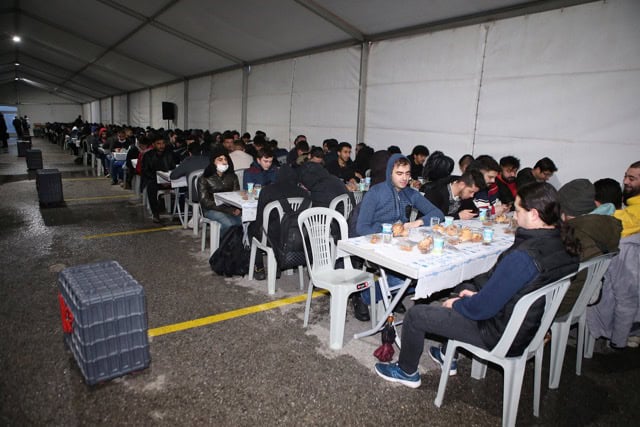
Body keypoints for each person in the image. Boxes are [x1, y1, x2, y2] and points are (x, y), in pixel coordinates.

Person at [374, 182, 580, 387]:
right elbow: (508, 290)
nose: (515, 217)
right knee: (467, 287)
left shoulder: (523, 257)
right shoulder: (565, 246)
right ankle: (447, 354)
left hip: (500, 333)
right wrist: (472, 296)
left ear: (534, 214)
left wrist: (458, 304)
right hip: (531, 326)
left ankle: (406, 371)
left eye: (518, 211)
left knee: (416, 315)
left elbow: (483, 308)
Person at [353, 153, 444, 320]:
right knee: (405, 277)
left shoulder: (410, 193)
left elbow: (438, 214)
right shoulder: (375, 192)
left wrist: (416, 223)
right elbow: (362, 227)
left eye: (407, 174)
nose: (404, 178)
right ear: (390, 173)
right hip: (377, 244)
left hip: (401, 244)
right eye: (399, 173)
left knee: (427, 273)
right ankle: (363, 296)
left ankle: (393, 293)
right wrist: (389, 230)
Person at [556, 179, 621, 317]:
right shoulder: (601, 224)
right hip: (588, 295)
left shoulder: (576, 237)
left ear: (563, 210)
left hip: (563, 305)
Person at [249, 165, 310, 280]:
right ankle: (277, 264)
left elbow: (260, 217)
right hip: (296, 237)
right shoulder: (304, 193)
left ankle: (259, 268)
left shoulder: (267, 191)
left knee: (251, 228)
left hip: (272, 238)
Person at [197, 148, 242, 236]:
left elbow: (236, 195)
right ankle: (221, 242)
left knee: (241, 223)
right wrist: (227, 209)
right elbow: (205, 201)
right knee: (229, 224)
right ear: (213, 162)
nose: (224, 162)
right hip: (210, 209)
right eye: (220, 160)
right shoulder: (204, 178)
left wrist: (236, 208)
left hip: (230, 208)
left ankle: (234, 242)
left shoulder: (232, 176)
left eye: (226, 159)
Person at [141, 134, 176, 223]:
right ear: (153, 144)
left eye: (163, 143)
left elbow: (173, 168)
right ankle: (155, 213)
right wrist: (159, 180)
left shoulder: (169, 154)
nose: (161, 146)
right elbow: (145, 171)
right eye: (158, 144)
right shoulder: (148, 155)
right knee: (151, 187)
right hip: (154, 180)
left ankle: (177, 211)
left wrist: (168, 180)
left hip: (168, 180)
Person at [613, 161, 640, 237]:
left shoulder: (634, 213)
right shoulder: (631, 207)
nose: (625, 181)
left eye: (631, 179)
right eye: (625, 176)